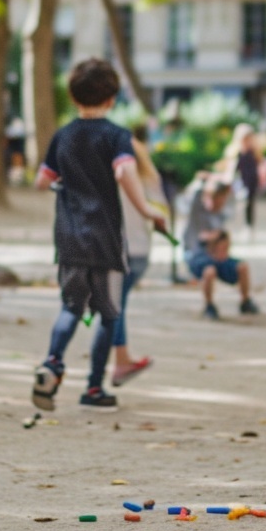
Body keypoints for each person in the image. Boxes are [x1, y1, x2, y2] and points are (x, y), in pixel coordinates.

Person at [32, 59, 168, 412]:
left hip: (69, 238)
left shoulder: (62, 135)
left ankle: (52, 364)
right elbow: (124, 171)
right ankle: (94, 388)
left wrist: (64, 185)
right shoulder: (116, 135)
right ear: (111, 97)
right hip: (105, 239)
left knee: (70, 308)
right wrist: (147, 210)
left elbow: (42, 181)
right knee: (108, 313)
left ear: (74, 96)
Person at [109, 136, 165, 387]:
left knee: (114, 306)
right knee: (116, 305)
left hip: (119, 250)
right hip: (142, 251)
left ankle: (121, 360)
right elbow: (161, 213)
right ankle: (122, 359)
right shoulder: (149, 179)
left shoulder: (110, 178)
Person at [184, 177, 258, 320]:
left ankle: (245, 301)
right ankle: (209, 305)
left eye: (221, 199)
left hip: (218, 256)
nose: (218, 203)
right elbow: (196, 192)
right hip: (196, 255)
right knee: (209, 271)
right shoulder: (197, 209)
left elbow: (235, 196)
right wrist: (207, 179)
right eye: (215, 199)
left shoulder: (222, 213)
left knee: (242, 267)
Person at [223, 123, 266, 240]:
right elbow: (231, 169)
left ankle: (249, 227)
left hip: (252, 181)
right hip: (240, 182)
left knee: (249, 204)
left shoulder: (254, 152)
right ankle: (238, 226)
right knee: (239, 204)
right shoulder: (236, 152)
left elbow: (260, 165)